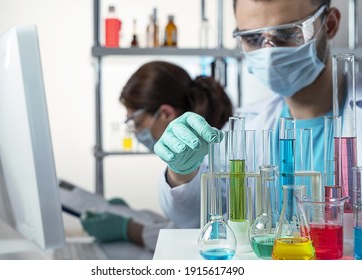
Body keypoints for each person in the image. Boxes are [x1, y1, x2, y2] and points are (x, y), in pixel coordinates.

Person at [154, 0, 362, 228]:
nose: (269, 53)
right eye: (253, 38)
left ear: (329, 25)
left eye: (286, 33)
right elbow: (193, 218)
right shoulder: (246, 125)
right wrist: (181, 173)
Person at [81, 60, 233, 251]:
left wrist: (129, 229)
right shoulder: (195, 153)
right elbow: (183, 220)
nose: (136, 133)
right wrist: (133, 215)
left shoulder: (218, 152)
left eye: (136, 123)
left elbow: (197, 232)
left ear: (166, 114)